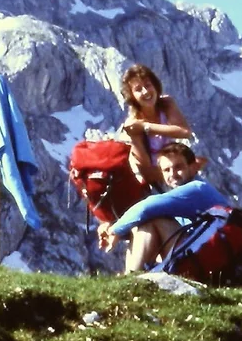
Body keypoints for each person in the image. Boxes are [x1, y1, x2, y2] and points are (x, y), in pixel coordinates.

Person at [97, 142, 234, 274]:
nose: (172, 174)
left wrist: (114, 230)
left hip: (205, 259)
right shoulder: (191, 193)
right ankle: (135, 276)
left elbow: (146, 208)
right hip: (205, 256)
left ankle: (132, 278)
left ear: (192, 168)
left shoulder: (197, 189)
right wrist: (118, 230)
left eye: (178, 167)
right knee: (147, 219)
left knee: (153, 219)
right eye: (167, 170)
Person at [119, 63, 195, 190]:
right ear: (132, 96)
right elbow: (147, 171)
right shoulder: (133, 125)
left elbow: (184, 131)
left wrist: (146, 126)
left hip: (176, 171)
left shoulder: (166, 103)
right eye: (138, 89)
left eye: (148, 85)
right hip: (159, 183)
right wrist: (175, 175)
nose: (145, 91)